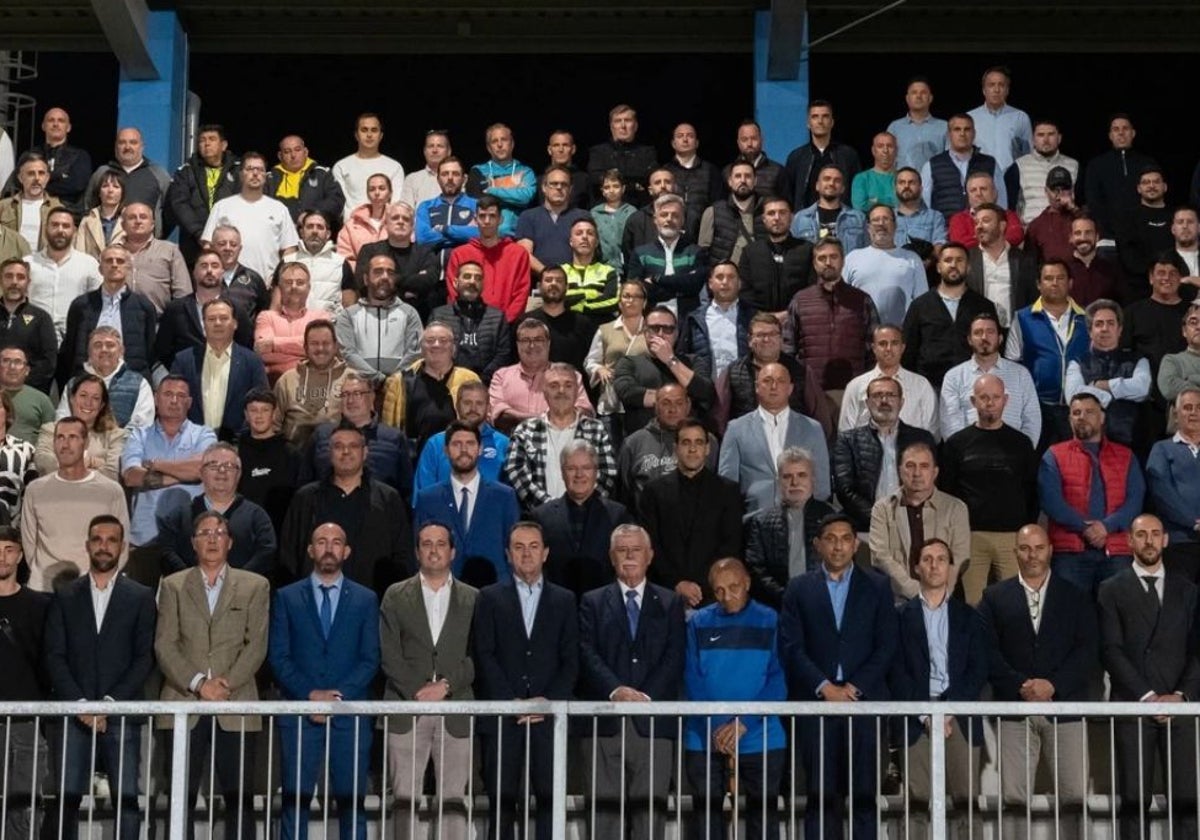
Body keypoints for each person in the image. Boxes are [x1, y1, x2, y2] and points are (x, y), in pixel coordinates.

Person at [778, 512, 897, 840]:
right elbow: (791, 646)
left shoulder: (878, 585)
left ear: (855, 544)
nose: (838, 546)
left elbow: (887, 645)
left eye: (845, 538)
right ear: (817, 545)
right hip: (816, 705)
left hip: (865, 705)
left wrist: (855, 687)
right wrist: (824, 687)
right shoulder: (799, 588)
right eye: (830, 539)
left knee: (864, 794)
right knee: (820, 794)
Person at [154, 508, 269, 840]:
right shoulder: (173, 586)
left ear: (230, 542)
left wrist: (225, 684)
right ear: (193, 543)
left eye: (219, 533)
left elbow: (256, 645)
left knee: (240, 797)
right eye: (205, 533)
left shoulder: (255, 586)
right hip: (182, 701)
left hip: (236, 703)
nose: (212, 539)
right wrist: (198, 684)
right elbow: (165, 644)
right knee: (180, 796)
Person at [977, 523, 1098, 837]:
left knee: (1073, 796)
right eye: (1025, 548)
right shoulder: (994, 597)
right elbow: (986, 651)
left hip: (1066, 707)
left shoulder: (1076, 596)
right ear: (1015, 551)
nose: (1032, 555)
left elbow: (1087, 650)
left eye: (1039, 548)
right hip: (1014, 708)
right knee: (1014, 799)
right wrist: (1021, 685)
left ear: (1050, 550)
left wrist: (1053, 685)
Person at [42, 514, 156, 840]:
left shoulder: (141, 596)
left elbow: (144, 656)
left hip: (120, 713)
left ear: (122, 547)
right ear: (87, 545)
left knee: (126, 798)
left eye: (111, 540)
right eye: (97, 539)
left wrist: (108, 704)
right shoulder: (65, 596)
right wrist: (81, 704)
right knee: (66, 797)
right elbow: (55, 655)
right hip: (73, 712)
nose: (104, 546)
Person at [270, 521, 380, 840]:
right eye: (321, 541)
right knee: (295, 801)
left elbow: (370, 657)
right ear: (310, 550)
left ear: (346, 551)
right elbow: (279, 656)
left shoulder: (365, 599)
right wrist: (310, 694)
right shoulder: (287, 597)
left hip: (350, 715)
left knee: (352, 804)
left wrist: (336, 698)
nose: (328, 547)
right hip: (300, 713)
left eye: (336, 542)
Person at [472, 520, 578, 840]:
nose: (526, 554)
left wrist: (548, 702)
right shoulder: (489, 598)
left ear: (545, 553)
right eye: (519, 548)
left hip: (548, 719)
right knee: (502, 804)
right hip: (504, 719)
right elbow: (484, 653)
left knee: (549, 802)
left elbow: (571, 660)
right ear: (508, 554)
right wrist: (511, 702)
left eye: (533, 547)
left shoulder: (565, 600)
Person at [578, 523, 684, 840]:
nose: (629, 556)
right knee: (603, 817)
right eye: (622, 550)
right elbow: (586, 651)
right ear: (611, 557)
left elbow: (674, 655)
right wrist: (616, 690)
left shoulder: (670, 603)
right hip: (604, 722)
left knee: (649, 817)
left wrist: (644, 696)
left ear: (649, 556)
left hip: (652, 722)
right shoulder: (592, 601)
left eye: (635, 549)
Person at [1097, 513, 1200, 838]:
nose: (1150, 541)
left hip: (1181, 711)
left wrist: (1180, 696)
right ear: (1129, 541)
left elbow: (1197, 651)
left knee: (1186, 804)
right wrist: (1148, 697)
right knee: (1132, 803)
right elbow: (1111, 650)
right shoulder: (1110, 589)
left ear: (1166, 540)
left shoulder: (1188, 590)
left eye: (1156, 534)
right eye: (1142, 535)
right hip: (1133, 707)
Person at [379, 520, 477, 840]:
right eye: (426, 544)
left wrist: (445, 687)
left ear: (452, 552)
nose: (433, 550)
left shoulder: (474, 598)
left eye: (440, 544)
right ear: (417, 551)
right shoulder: (395, 595)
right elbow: (388, 653)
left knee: (453, 799)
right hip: (407, 707)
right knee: (405, 798)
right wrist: (420, 693)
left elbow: (478, 656)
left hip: (457, 708)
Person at [890, 538, 989, 835]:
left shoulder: (970, 616)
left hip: (958, 717)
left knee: (966, 804)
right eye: (928, 559)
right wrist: (925, 715)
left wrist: (948, 712)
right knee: (917, 804)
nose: (934, 565)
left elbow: (978, 668)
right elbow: (896, 671)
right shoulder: (898, 617)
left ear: (950, 567)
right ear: (916, 567)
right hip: (915, 717)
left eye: (941, 559)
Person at [684, 557, 786, 840]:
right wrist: (719, 726)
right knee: (706, 821)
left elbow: (778, 681)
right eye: (718, 590)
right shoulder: (698, 622)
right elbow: (692, 679)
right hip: (705, 736)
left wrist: (742, 724)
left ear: (748, 584)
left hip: (762, 736)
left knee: (763, 820)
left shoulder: (770, 620)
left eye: (734, 587)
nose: (727, 596)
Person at [939, 374, 1040, 605]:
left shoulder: (1022, 444)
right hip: (971, 537)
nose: (990, 403)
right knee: (972, 606)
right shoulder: (956, 444)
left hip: (1012, 537)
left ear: (1006, 400)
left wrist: (1023, 530)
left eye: (995, 397)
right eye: (984, 397)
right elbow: (948, 491)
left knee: (1015, 606)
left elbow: (1032, 491)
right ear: (973, 402)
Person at [1039, 392, 1144, 595]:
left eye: (1089, 412)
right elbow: (1051, 501)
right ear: (1069, 419)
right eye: (1076, 412)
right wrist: (1085, 528)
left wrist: (1106, 527)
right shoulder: (1054, 455)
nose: (1081, 417)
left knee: (1116, 619)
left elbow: (1135, 500)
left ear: (1102, 418)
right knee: (1071, 620)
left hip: (1116, 551)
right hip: (1069, 552)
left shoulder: (1125, 455)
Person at [121, 376, 217, 583]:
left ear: (189, 402)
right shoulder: (139, 435)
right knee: (142, 609)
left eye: (181, 395)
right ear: (156, 399)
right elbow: (131, 476)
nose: (174, 400)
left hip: (191, 538)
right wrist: (185, 474)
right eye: (168, 394)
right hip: (145, 537)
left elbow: (203, 468)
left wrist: (156, 464)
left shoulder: (204, 434)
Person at [640, 418, 742, 608]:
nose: (693, 449)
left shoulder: (728, 492)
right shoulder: (654, 492)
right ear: (675, 447)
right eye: (686, 443)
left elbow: (730, 545)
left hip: (713, 595)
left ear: (708, 448)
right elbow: (651, 544)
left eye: (699, 443)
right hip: (665, 594)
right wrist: (676, 583)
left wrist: (702, 586)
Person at [20, 416, 129, 592]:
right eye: (60, 437)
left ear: (85, 443)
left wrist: (101, 582)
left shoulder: (111, 491)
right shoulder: (35, 490)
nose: (65, 443)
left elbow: (121, 545)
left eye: (73, 437)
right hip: (44, 589)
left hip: (92, 590)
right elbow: (29, 542)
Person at [412, 420, 520, 588]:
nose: (464, 450)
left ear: (480, 449)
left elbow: (514, 548)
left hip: (494, 591)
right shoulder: (428, 499)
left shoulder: (504, 497)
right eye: (457, 444)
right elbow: (418, 551)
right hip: (443, 591)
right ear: (446, 450)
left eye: (470, 443)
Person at [719, 362, 830, 515]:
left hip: (802, 520)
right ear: (757, 387)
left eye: (780, 381)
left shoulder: (812, 429)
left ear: (790, 389)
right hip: (752, 519)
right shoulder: (736, 429)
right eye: (767, 381)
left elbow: (822, 484)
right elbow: (726, 484)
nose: (774, 386)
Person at [504, 362, 615, 511]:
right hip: (539, 519)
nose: (561, 391)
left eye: (568, 385)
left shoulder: (596, 429)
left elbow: (608, 473)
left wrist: (580, 507)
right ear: (544, 392)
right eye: (554, 385)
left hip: (587, 517)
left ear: (577, 391)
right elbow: (515, 471)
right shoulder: (525, 431)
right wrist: (550, 509)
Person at [833, 376, 936, 533]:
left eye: (891, 395)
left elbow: (931, 484)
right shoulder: (848, 440)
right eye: (877, 395)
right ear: (867, 403)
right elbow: (845, 490)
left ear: (901, 402)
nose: (884, 401)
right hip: (865, 528)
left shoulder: (922, 438)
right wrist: (878, 519)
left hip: (913, 526)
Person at [869, 440, 970, 601]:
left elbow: (959, 557)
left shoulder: (956, 508)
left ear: (935, 472)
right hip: (897, 600)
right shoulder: (882, 509)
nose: (917, 473)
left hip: (944, 598)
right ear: (900, 471)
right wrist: (917, 593)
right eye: (910, 466)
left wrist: (939, 596)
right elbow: (881, 557)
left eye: (924, 466)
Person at [783, 237, 880, 404]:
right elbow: (788, 348)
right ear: (814, 264)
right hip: (811, 392)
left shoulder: (861, 300)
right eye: (822, 258)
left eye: (833, 257)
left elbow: (875, 347)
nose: (828, 262)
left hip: (855, 391)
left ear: (843, 261)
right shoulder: (800, 300)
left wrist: (867, 383)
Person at [156, 442, 276, 575]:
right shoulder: (179, 516)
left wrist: (236, 583)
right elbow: (166, 552)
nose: (222, 471)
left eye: (229, 466)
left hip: (242, 593)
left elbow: (267, 552)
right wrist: (195, 581)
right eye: (214, 465)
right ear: (201, 473)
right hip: (189, 592)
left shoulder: (256, 516)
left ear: (239, 474)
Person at [531, 440, 632, 598]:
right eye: (572, 468)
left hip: (604, 607)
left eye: (586, 468)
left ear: (596, 472)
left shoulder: (617, 515)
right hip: (557, 607)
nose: (579, 475)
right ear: (562, 473)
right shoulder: (541, 516)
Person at [1005, 260, 1090, 447]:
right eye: (1048, 278)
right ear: (1038, 284)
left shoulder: (1087, 317)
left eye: (1060, 278)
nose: (1054, 283)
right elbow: (1012, 364)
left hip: (1078, 408)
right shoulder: (1023, 318)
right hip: (1037, 407)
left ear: (1070, 283)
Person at [0, 524, 50, 840]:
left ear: (19, 555)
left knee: (24, 809)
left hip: (26, 723)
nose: (2, 558)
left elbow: (49, 662)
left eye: (8, 549)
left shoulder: (41, 606)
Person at [299, 380, 415, 514]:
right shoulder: (322, 435)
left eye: (357, 394)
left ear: (372, 397)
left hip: (379, 518)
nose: (350, 400)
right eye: (345, 395)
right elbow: (305, 481)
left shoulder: (394, 438)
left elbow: (407, 489)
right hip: (327, 515)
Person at [744, 446, 836, 609]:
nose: (795, 482)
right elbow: (756, 569)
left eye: (802, 475)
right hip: (777, 606)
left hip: (824, 604)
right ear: (779, 481)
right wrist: (786, 596)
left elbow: (841, 563)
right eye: (787, 476)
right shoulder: (761, 522)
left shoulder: (831, 517)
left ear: (813, 479)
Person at [900, 243, 999, 390]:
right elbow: (908, 353)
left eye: (960, 260)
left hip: (974, 387)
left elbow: (995, 349)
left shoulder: (983, 306)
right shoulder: (920, 306)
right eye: (948, 260)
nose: (953, 265)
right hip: (929, 387)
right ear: (939, 267)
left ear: (968, 267)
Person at [57, 243, 157, 385]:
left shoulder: (143, 306)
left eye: (120, 261)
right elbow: (70, 349)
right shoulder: (81, 305)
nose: (114, 265)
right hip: (87, 382)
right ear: (100, 268)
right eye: (109, 261)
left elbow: (150, 349)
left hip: (131, 381)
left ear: (129, 268)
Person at [170, 298, 268, 440]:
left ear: (235, 324)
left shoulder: (252, 361)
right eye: (211, 319)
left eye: (223, 318)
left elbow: (262, 403)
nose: (217, 323)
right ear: (204, 325)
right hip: (191, 444)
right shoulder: (184, 360)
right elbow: (173, 403)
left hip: (237, 445)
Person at [723, 311, 834, 437]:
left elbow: (820, 419)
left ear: (781, 339)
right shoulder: (733, 372)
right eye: (760, 335)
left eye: (772, 334)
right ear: (749, 340)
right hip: (747, 444)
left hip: (793, 444)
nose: (766, 339)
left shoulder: (800, 371)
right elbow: (720, 420)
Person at [940, 311, 1042, 444]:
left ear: (1000, 338)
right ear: (969, 340)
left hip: (1013, 454)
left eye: (990, 332)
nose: (984, 337)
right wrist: (963, 453)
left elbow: (1032, 419)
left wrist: (1023, 451)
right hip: (969, 455)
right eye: (978, 332)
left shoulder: (1020, 374)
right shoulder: (954, 376)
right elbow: (950, 424)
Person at [612, 305, 715, 434]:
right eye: (654, 329)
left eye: (668, 329)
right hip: (644, 440)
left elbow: (705, 392)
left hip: (685, 440)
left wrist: (670, 360)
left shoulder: (693, 361)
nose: (661, 334)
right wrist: (677, 400)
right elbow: (628, 393)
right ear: (645, 333)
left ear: (676, 334)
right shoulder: (629, 362)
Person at [615, 382, 716, 509]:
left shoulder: (707, 441)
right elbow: (622, 496)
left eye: (679, 403)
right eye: (666, 403)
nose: (673, 409)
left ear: (688, 405)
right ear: (655, 406)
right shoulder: (634, 443)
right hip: (645, 523)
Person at [1065, 298, 1151, 448]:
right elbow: (1073, 396)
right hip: (1089, 445)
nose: (1105, 329)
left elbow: (1142, 389)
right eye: (1099, 324)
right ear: (1090, 331)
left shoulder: (1138, 360)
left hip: (1131, 443)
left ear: (1119, 330)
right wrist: (1112, 393)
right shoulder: (1077, 363)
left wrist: (1102, 386)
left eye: (1110, 323)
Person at [381, 321, 481, 449]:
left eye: (443, 340)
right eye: (430, 340)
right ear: (421, 347)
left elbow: (480, 425)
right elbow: (389, 429)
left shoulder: (470, 380)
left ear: (453, 348)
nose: (436, 345)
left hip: (459, 458)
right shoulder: (400, 382)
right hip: (414, 460)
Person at [201, 151, 299, 279]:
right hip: (227, 284)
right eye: (249, 169)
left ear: (265, 175)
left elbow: (289, 250)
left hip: (266, 285)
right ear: (241, 175)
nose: (255, 173)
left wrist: (280, 281)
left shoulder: (279, 209)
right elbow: (208, 245)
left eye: (260, 169)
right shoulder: (222, 207)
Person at [154, 249, 254, 371]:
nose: (209, 271)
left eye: (215, 266)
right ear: (194, 273)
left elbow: (246, 345)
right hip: (185, 379)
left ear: (222, 273)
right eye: (204, 266)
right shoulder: (176, 309)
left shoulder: (236, 308)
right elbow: (163, 349)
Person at [488, 318, 592, 435]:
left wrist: (529, 419)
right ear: (517, 344)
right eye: (525, 340)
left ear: (548, 343)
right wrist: (548, 419)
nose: (532, 345)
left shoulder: (571, 376)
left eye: (538, 339)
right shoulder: (501, 376)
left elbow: (584, 411)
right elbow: (499, 416)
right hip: (512, 446)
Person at [335, 251, 423, 388]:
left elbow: (415, 353)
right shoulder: (348, 315)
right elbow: (347, 353)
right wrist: (376, 378)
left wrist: (394, 380)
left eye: (390, 273)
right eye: (378, 272)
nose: (385, 277)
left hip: (400, 388)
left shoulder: (409, 313)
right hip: (359, 388)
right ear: (365, 279)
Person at [412, 381, 510, 497]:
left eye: (479, 403)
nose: (473, 408)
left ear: (488, 407)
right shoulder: (436, 443)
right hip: (442, 513)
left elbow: (509, 495)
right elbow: (422, 494)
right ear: (457, 405)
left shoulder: (504, 444)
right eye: (467, 403)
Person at [444, 195, 532, 323]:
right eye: (482, 216)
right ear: (475, 219)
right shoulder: (459, 254)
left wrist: (503, 323)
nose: (487, 221)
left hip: (506, 326)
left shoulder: (518, 254)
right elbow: (453, 292)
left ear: (500, 219)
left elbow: (521, 293)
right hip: (466, 325)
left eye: (492, 216)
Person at [839, 323, 937, 433]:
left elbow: (932, 432)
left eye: (894, 343)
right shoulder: (856, 386)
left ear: (902, 347)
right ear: (874, 348)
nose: (889, 349)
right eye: (882, 344)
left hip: (911, 448)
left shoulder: (921, 385)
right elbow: (845, 432)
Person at [165, 123, 239, 265]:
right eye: (202, 140)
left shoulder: (238, 170)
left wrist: (227, 235)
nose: (206, 144)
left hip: (230, 242)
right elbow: (179, 204)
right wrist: (200, 233)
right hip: (194, 243)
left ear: (223, 145)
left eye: (211, 139)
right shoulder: (185, 171)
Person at [25, 205, 101, 344]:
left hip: (75, 339)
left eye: (66, 226)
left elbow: (98, 304)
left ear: (75, 231)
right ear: (45, 229)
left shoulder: (89, 264)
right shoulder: (28, 264)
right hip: (34, 338)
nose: (60, 230)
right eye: (55, 225)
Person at [428, 259, 513, 383]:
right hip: (445, 383)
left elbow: (503, 354)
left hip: (485, 385)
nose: (472, 281)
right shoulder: (439, 315)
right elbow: (430, 349)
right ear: (455, 282)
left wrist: (480, 380)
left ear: (483, 284)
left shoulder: (497, 317)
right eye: (467, 277)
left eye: (478, 278)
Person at [625, 193, 708, 319]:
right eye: (664, 215)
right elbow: (637, 291)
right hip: (650, 320)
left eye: (675, 215)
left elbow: (694, 285)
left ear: (683, 220)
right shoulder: (641, 253)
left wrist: (656, 279)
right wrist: (680, 286)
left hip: (687, 320)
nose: (669, 219)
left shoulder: (695, 252)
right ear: (655, 219)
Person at [584, 279, 648, 439]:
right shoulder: (605, 330)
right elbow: (590, 361)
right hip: (611, 403)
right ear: (619, 301)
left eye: (636, 296)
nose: (631, 300)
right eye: (626, 296)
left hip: (643, 403)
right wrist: (599, 369)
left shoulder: (652, 330)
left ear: (644, 302)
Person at [1147, 387, 1200, 582]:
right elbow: (1162, 492)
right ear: (1176, 415)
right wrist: (1193, 523)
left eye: (1199, 407)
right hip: (1179, 542)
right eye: (1187, 407)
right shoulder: (1161, 449)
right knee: (1182, 605)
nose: (1194, 412)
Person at [843, 203, 927, 326]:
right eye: (875, 220)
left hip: (899, 337)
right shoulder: (852, 258)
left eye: (886, 219)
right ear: (868, 227)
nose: (881, 224)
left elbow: (923, 303)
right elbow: (842, 299)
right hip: (861, 334)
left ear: (895, 225)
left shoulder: (912, 259)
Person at [353, 202, 441, 318]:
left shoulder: (425, 252)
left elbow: (428, 281)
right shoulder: (369, 251)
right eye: (395, 218)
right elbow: (363, 284)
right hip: (376, 316)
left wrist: (387, 283)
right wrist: (411, 286)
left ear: (412, 226)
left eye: (406, 219)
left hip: (417, 317)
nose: (400, 222)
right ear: (386, 224)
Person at [1084, 113, 1157, 246]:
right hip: (1108, 239)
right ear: (1110, 135)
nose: (1121, 133)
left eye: (1125, 128)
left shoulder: (1147, 163)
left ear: (1133, 133)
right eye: (1116, 129)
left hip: (1144, 234)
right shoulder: (1097, 165)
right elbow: (1093, 202)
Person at [272, 318, 347, 448]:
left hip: (337, 452)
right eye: (314, 343)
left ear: (335, 346)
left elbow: (362, 423)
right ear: (305, 348)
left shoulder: (351, 378)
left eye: (326, 343)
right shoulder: (287, 380)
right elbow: (273, 424)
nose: (320, 348)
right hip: (294, 452)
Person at [35, 373, 125, 479]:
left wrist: (87, 462)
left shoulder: (116, 435)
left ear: (101, 405)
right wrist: (94, 463)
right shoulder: (50, 430)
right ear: (72, 399)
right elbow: (44, 462)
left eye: (95, 398)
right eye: (83, 395)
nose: (88, 402)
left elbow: (112, 473)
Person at [236, 387, 299, 537]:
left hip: (281, 529)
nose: (259, 416)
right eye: (253, 410)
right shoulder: (235, 452)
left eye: (265, 410)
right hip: (244, 529)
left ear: (274, 413)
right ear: (246, 414)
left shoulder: (291, 453)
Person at [736, 196, 813, 317]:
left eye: (782, 212)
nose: (777, 218)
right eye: (771, 213)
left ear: (791, 217)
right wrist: (765, 316)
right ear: (764, 219)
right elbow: (744, 290)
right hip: (759, 322)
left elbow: (812, 290)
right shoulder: (750, 252)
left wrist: (788, 314)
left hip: (798, 320)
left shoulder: (807, 250)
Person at [679, 261, 753, 382]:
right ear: (710, 284)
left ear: (739, 283)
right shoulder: (694, 319)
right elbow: (683, 356)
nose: (725, 282)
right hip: (706, 390)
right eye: (719, 277)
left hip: (743, 389)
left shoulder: (752, 317)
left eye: (731, 277)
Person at [920, 114, 1006, 219]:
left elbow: (1001, 201)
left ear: (974, 134)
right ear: (949, 135)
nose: (962, 134)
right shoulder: (932, 165)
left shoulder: (990, 163)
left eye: (967, 129)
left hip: (983, 228)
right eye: (957, 129)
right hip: (944, 230)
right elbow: (924, 204)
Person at [965, 202, 1037, 328]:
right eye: (976, 222)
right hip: (981, 334)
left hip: (1016, 332)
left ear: (1002, 226)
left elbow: (1033, 301)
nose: (979, 226)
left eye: (986, 221)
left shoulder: (1023, 260)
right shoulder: (968, 260)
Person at [255, 262, 329, 384]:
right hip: (274, 384)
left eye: (300, 282)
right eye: (288, 282)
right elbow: (263, 353)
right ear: (280, 287)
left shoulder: (321, 317)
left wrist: (274, 344)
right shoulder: (266, 317)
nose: (294, 287)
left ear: (308, 287)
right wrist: (304, 353)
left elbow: (320, 349)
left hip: (314, 384)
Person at [86, 127, 171, 232]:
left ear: (142, 146)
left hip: (145, 243)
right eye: (122, 142)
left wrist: (159, 234)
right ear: (116, 147)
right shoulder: (102, 173)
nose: (127, 147)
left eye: (133, 142)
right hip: (106, 243)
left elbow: (171, 211)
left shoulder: (159, 174)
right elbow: (88, 205)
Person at [784, 100, 862, 211]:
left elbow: (856, 193)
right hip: (805, 223)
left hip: (842, 219)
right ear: (808, 123)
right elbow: (789, 195)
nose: (820, 121)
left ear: (832, 122)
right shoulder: (796, 157)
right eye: (815, 117)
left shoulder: (848, 155)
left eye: (825, 116)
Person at [514, 165, 589, 276]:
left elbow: (588, 252)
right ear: (544, 187)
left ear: (570, 189)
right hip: (539, 283)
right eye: (554, 184)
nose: (559, 187)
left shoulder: (583, 217)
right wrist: (547, 274)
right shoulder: (528, 216)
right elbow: (524, 254)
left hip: (576, 281)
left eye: (564, 184)